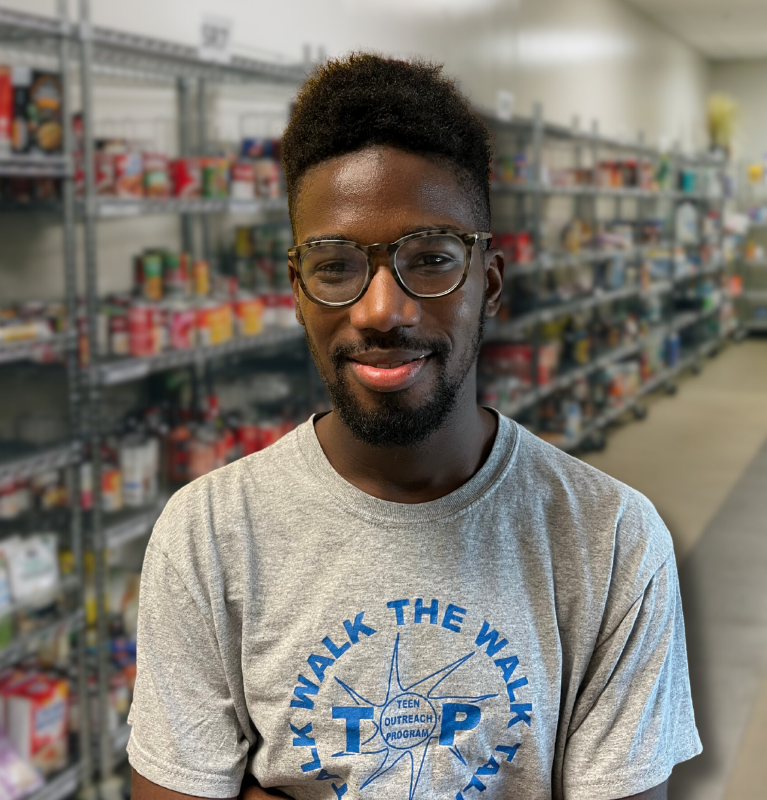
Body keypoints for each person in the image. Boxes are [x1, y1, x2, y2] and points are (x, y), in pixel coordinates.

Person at [128, 54, 701, 800]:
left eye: (429, 259)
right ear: (297, 291)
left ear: (488, 284)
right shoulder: (207, 533)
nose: (381, 310)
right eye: (336, 266)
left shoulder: (614, 541)